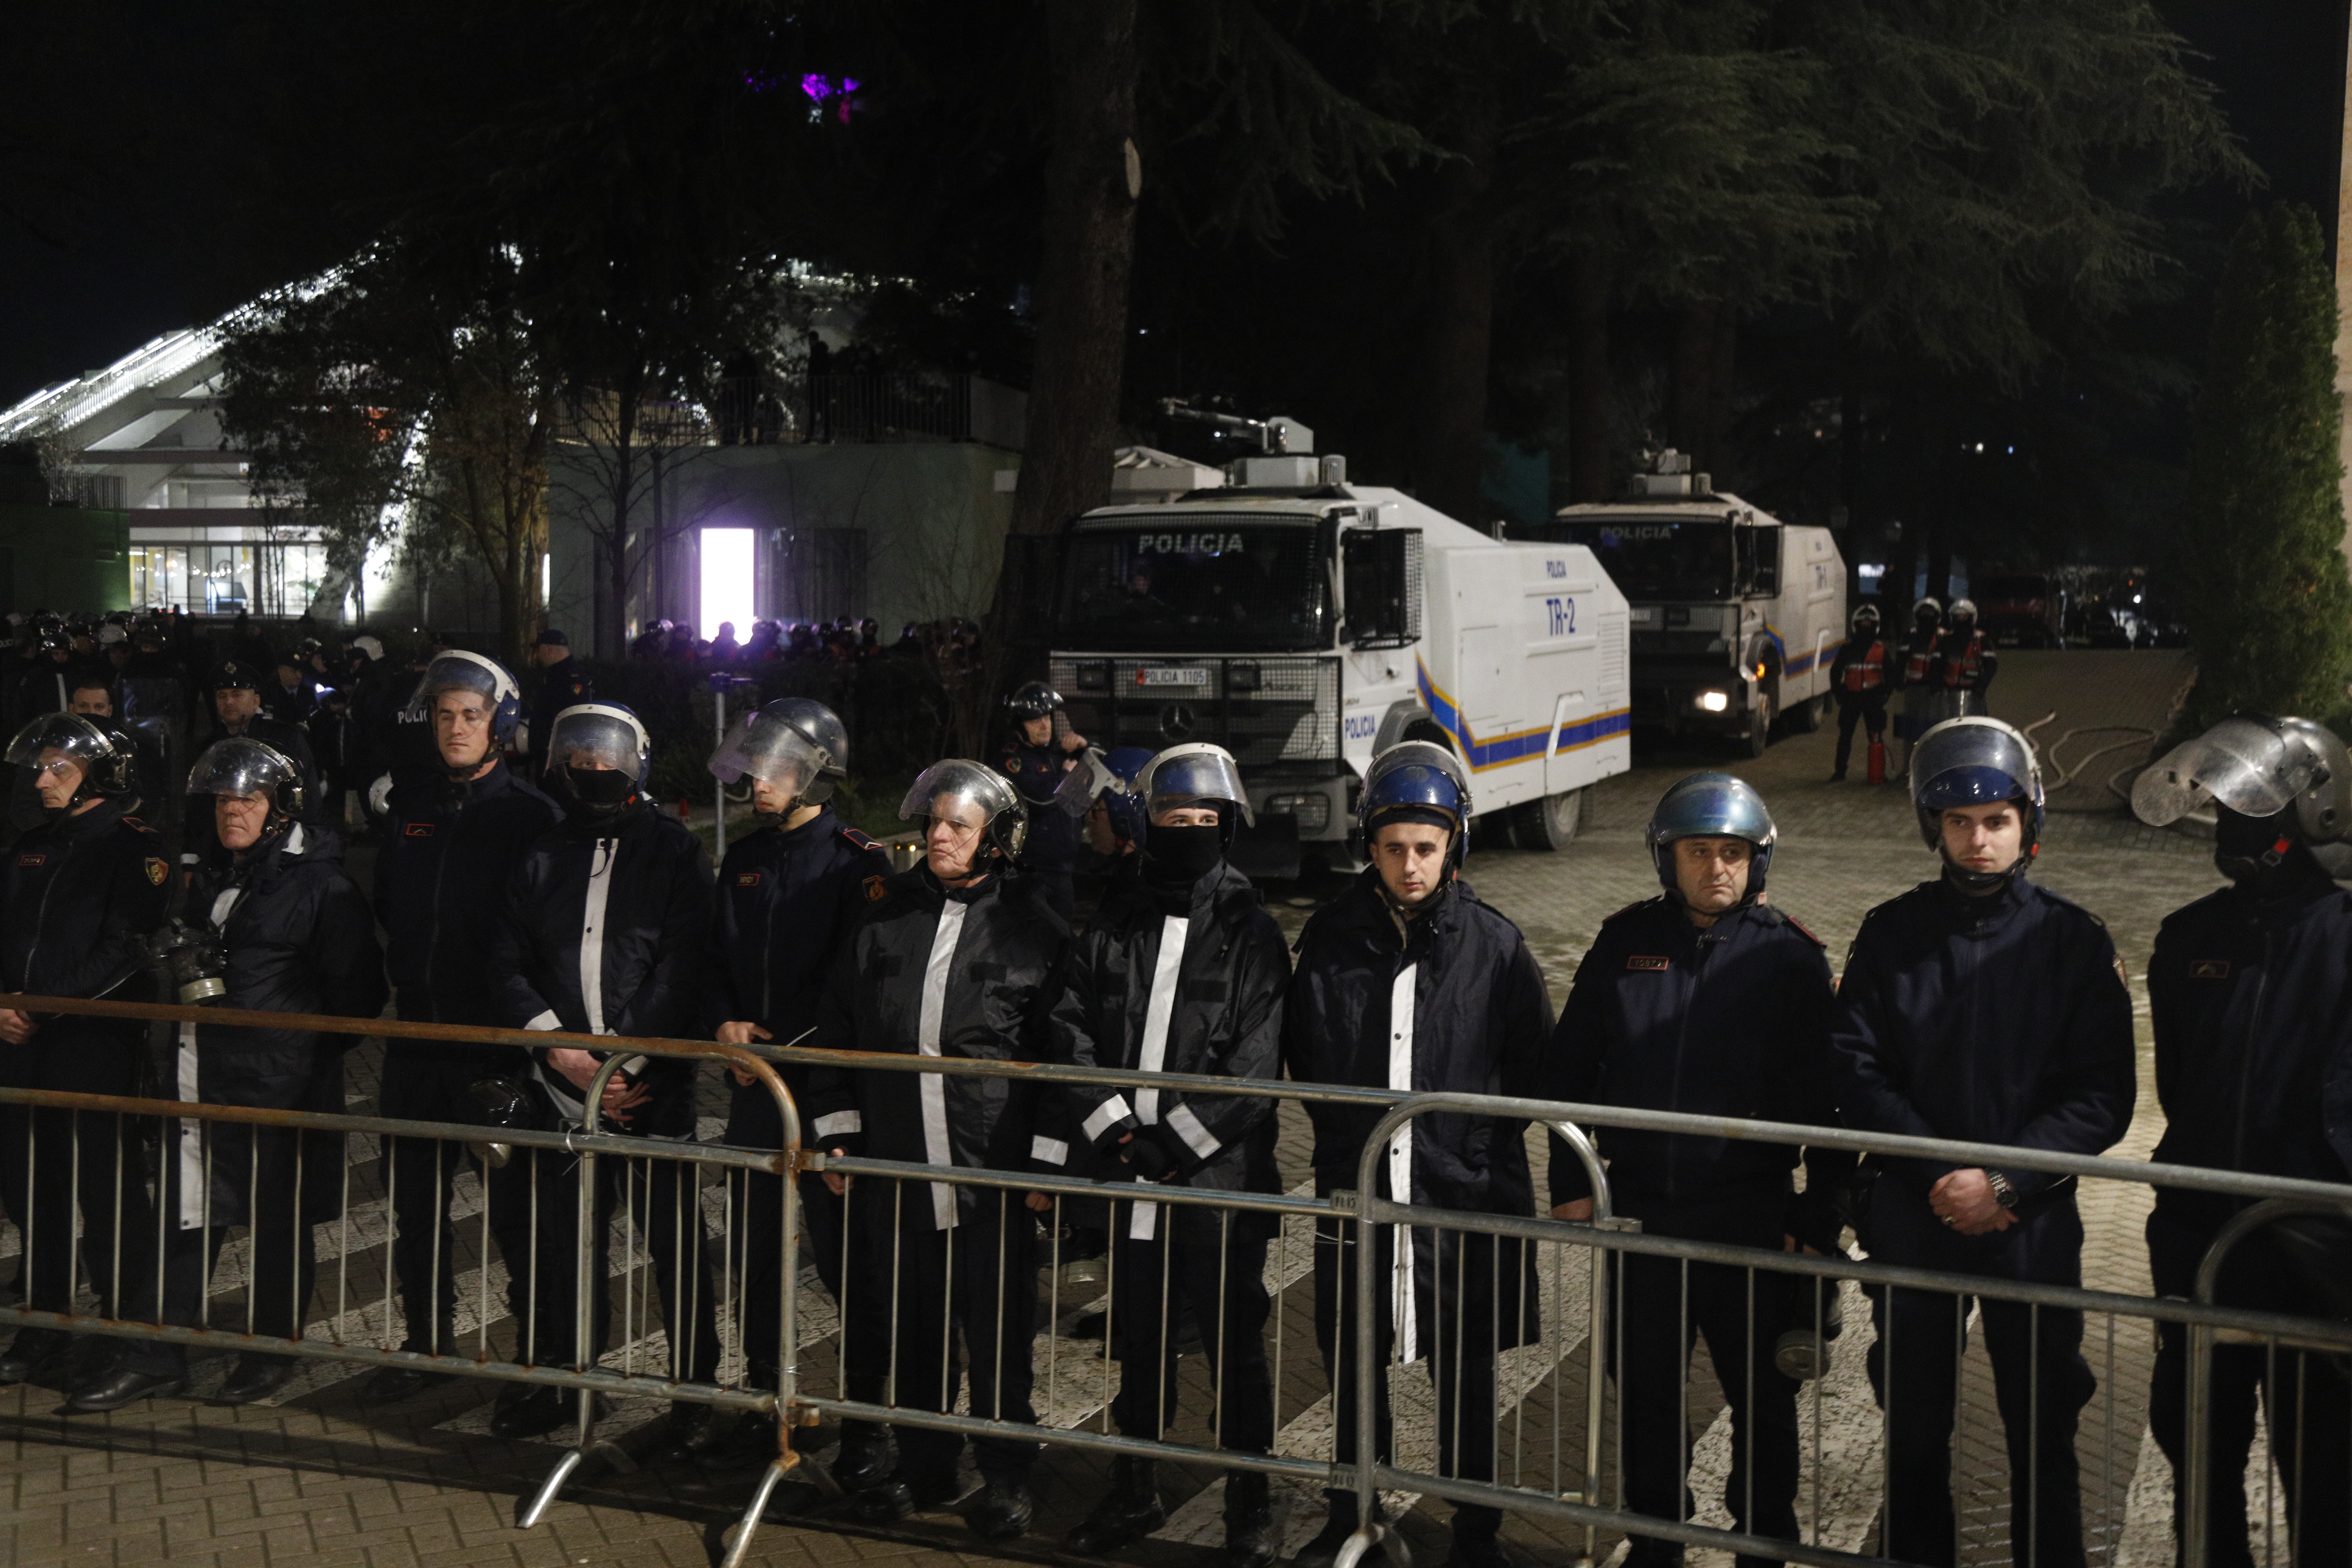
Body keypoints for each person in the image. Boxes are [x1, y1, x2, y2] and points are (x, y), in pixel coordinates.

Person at [1829, 716, 2134, 1568]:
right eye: (1959, 822)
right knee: (1916, 1429)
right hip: (1917, 1214)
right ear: (1935, 827)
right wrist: (1943, 1175)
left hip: (2028, 1225)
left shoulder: (2074, 941)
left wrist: (2001, 1181)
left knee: (2043, 1426)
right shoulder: (1892, 933)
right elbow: (1854, 1070)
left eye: (1996, 820)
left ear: (2027, 823)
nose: (1978, 840)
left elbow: (2104, 1096)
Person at [1548, 773, 1849, 1568]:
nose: (1717, 868)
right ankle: (1657, 1540)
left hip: (1751, 1215)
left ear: (1759, 861)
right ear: (1666, 859)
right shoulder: (1624, 944)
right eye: (1698, 852)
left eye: (1733, 853)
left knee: (1763, 1399)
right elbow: (1568, 1070)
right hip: (1642, 1213)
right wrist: (1571, 1183)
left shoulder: (1791, 957)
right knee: (1644, 1394)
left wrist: (1818, 1219)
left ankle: (1764, 1544)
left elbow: (1828, 1105)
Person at [1283, 741, 1552, 1568]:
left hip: (1460, 1202)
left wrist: (1478, 1153)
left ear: (1455, 848)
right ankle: (1353, 1515)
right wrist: (1341, 1145)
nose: (1410, 865)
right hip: (1359, 1196)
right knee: (1354, 1367)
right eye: (1394, 847)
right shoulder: (1330, 937)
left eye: (1426, 849)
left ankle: (1476, 1534)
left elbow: (1539, 1071)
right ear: (1370, 847)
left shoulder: (1496, 948)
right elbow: (1307, 1051)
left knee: (1465, 1382)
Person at [66, 737, 386, 1411]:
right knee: (186, 1218)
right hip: (199, 1074)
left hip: (278, 1087)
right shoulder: (213, 875)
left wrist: (291, 1053)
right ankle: (157, 1354)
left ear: (277, 808)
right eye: (222, 799)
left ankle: (271, 1352)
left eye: (247, 798)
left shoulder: (323, 885)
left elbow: (358, 997)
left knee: (278, 1224)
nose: (232, 810)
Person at [805, 759, 1069, 1543]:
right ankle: (923, 1465)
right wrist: (842, 1134)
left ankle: (1007, 1474)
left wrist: (1049, 1165)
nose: (940, 836)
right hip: (897, 1168)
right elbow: (838, 1029)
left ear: (997, 840)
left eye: (958, 824)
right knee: (912, 1330)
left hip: (993, 1174)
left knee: (995, 1333)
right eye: (934, 822)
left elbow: (1063, 1057)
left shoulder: (1036, 930)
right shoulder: (885, 919)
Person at [1049, 744, 1288, 1568]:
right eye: (1171, 818)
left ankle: (1250, 1502)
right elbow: (1070, 1025)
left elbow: (1254, 1071)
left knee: (1236, 1346)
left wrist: (1173, 1144)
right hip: (1129, 1175)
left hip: (1218, 1187)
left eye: (1201, 821)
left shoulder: (1254, 935)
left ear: (1226, 827)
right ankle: (1133, 1488)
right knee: (1141, 1344)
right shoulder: (1116, 921)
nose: (1186, 831)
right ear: (1145, 825)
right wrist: (1116, 1130)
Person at [2129, 714, 2352, 1568]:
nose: (2234, 830)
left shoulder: (2344, 936)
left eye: (2256, 812)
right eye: (2225, 810)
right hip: (2199, 1246)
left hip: (2317, 1258)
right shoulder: (2189, 938)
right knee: (2200, 1475)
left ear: (2315, 813)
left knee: (2325, 1483)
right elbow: (2180, 1087)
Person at [482, 702, 721, 1449]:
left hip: (651, 1089)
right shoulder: (538, 852)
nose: (591, 771)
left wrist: (624, 1058)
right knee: (564, 1245)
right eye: (577, 760)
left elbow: (686, 965)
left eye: (605, 759)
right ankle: (566, 1381)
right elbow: (505, 958)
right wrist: (558, 1048)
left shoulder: (676, 853)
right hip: (560, 1086)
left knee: (676, 1246)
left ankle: (694, 1396)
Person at [362, 651, 560, 1403]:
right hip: (416, 1038)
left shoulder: (531, 816)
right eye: (444, 714)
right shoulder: (411, 806)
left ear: (499, 725)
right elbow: (391, 905)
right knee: (414, 1205)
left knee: (515, 1211)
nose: (455, 728)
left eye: (471, 716)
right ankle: (426, 1344)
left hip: (494, 1047)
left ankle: (536, 1363)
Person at [701, 698, 891, 1466]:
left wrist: (790, 1046)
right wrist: (724, 1025)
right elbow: (715, 960)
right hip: (756, 1093)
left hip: (828, 1098)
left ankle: (869, 1419)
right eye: (754, 761)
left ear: (815, 769)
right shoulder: (742, 858)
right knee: (758, 1255)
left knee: (850, 1261)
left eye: (774, 763)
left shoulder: (857, 863)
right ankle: (766, 1401)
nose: (757, 776)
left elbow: (856, 980)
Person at [0, 715, 172, 1389]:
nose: (42, 780)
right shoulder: (30, 847)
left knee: (110, 1198)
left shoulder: (136, 851)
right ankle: (45, 1326)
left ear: (98, 776)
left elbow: (126, 952)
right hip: (22, 1044)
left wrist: (41, 1005)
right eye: (40, 768)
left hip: (95, 1046)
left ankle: (124, 1336)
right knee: (32, 1191)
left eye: (58, 769)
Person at [994, 681, 1088, 919]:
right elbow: (1043, 802)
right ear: (1020, 725)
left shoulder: (1056, 753)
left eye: (1048, 717)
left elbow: (1101, 778)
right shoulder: (1013, 760)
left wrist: (1085, 749)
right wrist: (1067, 775)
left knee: (1063, 943)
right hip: (1032, 873)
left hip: (1063, 870)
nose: (1045, 725)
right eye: (1036, 721)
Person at [1828, 602, 1891, 782]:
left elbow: (1891, 673)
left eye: (1869, 623)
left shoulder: (1881, 650)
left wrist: (1884, 694)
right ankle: (1840, 772)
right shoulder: (1847, 649)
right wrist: (1839, 694)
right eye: (1862, 623)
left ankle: (1878, 773)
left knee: (1876, 738)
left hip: (1873, 699)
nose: (1865, 626)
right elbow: (1836, 672)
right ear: (1855, 625)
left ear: (1875, 626)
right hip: (1851, 698)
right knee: (1845, 737)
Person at [522, 629, 593, 775]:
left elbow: (574, 717)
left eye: (539, 650)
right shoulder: (556, 673)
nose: (538, 656)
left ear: (548, 649)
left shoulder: (571, 676)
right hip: (549, 751)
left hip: (560, 756)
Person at [1923, 596, 1995, 724]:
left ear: (1972, 617)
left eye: (1964, 616)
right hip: (1949, 696)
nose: (1960, 620)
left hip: (1973, 695)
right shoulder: (1946, 640)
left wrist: (1981, 687)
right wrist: (1937, 686)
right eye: (1957, 616)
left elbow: (1991, 666)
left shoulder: (1980, 640)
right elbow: (1936, 664)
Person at [1894, 597, 1942, 779]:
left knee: (1934, 731)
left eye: (1931, 613)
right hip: (1913, 689)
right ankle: (1909, 769)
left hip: (1936, 692)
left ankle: (1933, 769)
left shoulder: (1944, 636)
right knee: (1911, 731)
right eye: (1924, 613)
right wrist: (1898, 680)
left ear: (1938, 616)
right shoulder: (1911, 635)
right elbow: (1901, 660)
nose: (1927, 616)